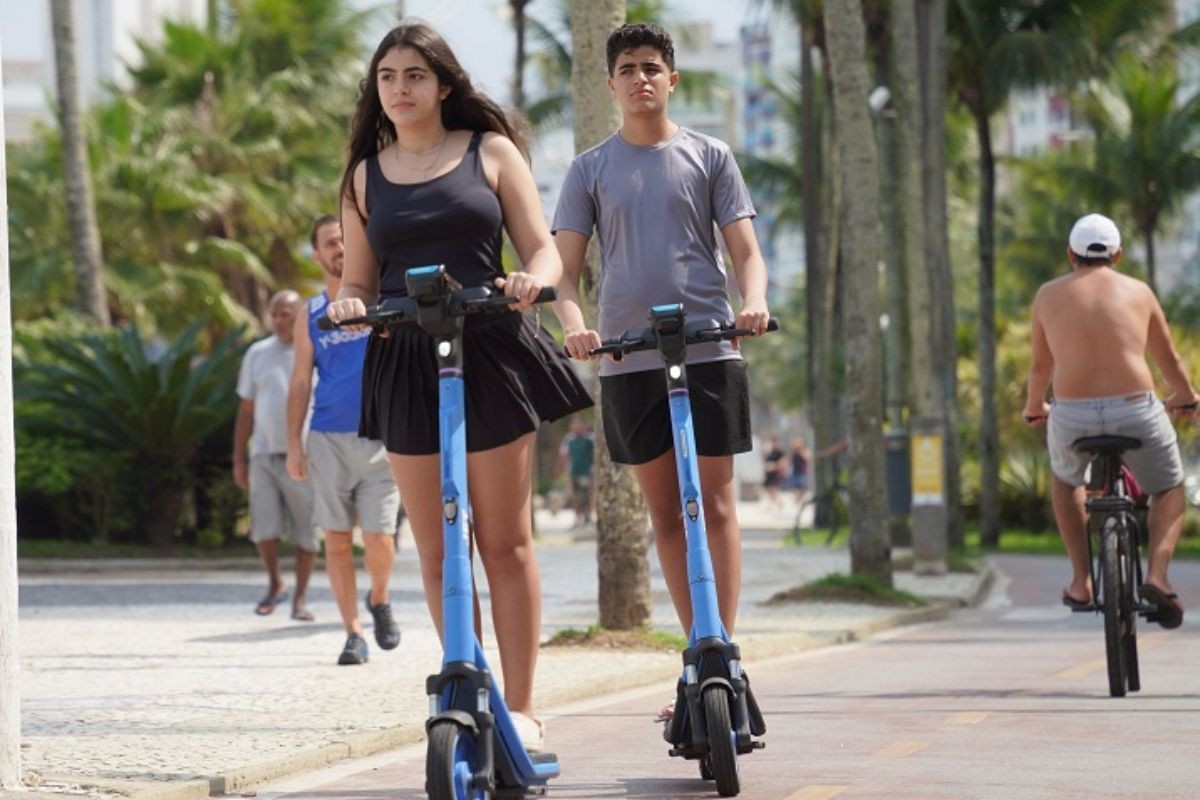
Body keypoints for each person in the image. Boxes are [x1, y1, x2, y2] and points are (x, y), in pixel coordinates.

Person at [324, 23, 592, 750]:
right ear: (376, 91)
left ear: (444, 84)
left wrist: (532, 279)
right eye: (388, 77)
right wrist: (350, 300)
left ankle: (526, 705)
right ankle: (464, 681)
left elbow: (540, 247)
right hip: (407, 359)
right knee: (440, 548)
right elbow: (356, 276)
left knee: (503, 542)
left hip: (491, 347)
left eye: (415, 74)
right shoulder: (362, 176)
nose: (400, 88)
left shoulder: (490, 152)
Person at [550, 23, 769, 718]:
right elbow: (562, 272)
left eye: (652, 67)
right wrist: (575, 326)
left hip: (709, 346)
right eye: (628, 68)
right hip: (628, 357)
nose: (641, 77)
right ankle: (696, 649)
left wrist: (755, 302)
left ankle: (723, 652)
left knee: (718, 505)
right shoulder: (588, 169)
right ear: (610, 83)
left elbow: (746, 254)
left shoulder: (711, 155)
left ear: (672, 80)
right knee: (666, 514)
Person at [1023, 213, 1198, 629]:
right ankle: (1157, 576)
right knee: (1169, 486)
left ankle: (1082, 581)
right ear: (1117, 255)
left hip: (1072, 413)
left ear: (1071, 255)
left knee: (1067, 484)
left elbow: (1039, 368)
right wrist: (1187, 397)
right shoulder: (1139, 291)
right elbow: (1168, 359)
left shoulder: (1048, 296)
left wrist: (1034, 408)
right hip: (1136, 408)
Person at [287, 215, 404, 665]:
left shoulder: (385, 301)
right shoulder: (311, 313)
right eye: (330, 243)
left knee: (379, 537)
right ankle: (353, 632)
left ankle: (380, 596)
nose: (340, 248)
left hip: (382, 437)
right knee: (336, 540)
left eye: (346, 240)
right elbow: (300, 383)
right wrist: (294, 446)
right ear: (317, 255)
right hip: (327, 438)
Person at [234, 290, 318, 621]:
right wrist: (239, 458)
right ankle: (275, 583)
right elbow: (245, 410)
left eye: (288, 313)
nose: (281, 320)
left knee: (307, 532)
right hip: (264, 455)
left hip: (303, 456)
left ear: (301, 315)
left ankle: (300, 598)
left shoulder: (311, 350)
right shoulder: (257, 354)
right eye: (276, 314)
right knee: (263, 528)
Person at [558, 416, 595, 527]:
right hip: (573, 471)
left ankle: (591, 514)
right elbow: (564, 455)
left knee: (590, 493)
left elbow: (595, 454)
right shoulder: (568, 439)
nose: (577, 426)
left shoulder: (591, 438)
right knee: (575, 496)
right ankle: (576, 517)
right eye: (574, 424)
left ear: (585, 425)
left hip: (588, 471)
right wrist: (563, 471)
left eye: (579, 423)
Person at [761, 437, 787, 508]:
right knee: (768, 489)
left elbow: (783, 463)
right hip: (769, 474)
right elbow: (766, 462)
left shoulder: (780, 452)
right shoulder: (770, 452)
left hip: (776, 473)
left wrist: (774, 466)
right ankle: (777, 503)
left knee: (774, 489)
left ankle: (777, 503)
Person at [787, 436, 811, 503]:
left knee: (803, 488)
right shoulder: (793, 451)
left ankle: (799, 499)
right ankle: (798, 499)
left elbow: (807, 458)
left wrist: (800, 451)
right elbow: (789, 459)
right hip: (794, 472)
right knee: (794, 488)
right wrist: (792, 449)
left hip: (802, 472)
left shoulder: (804, 450)